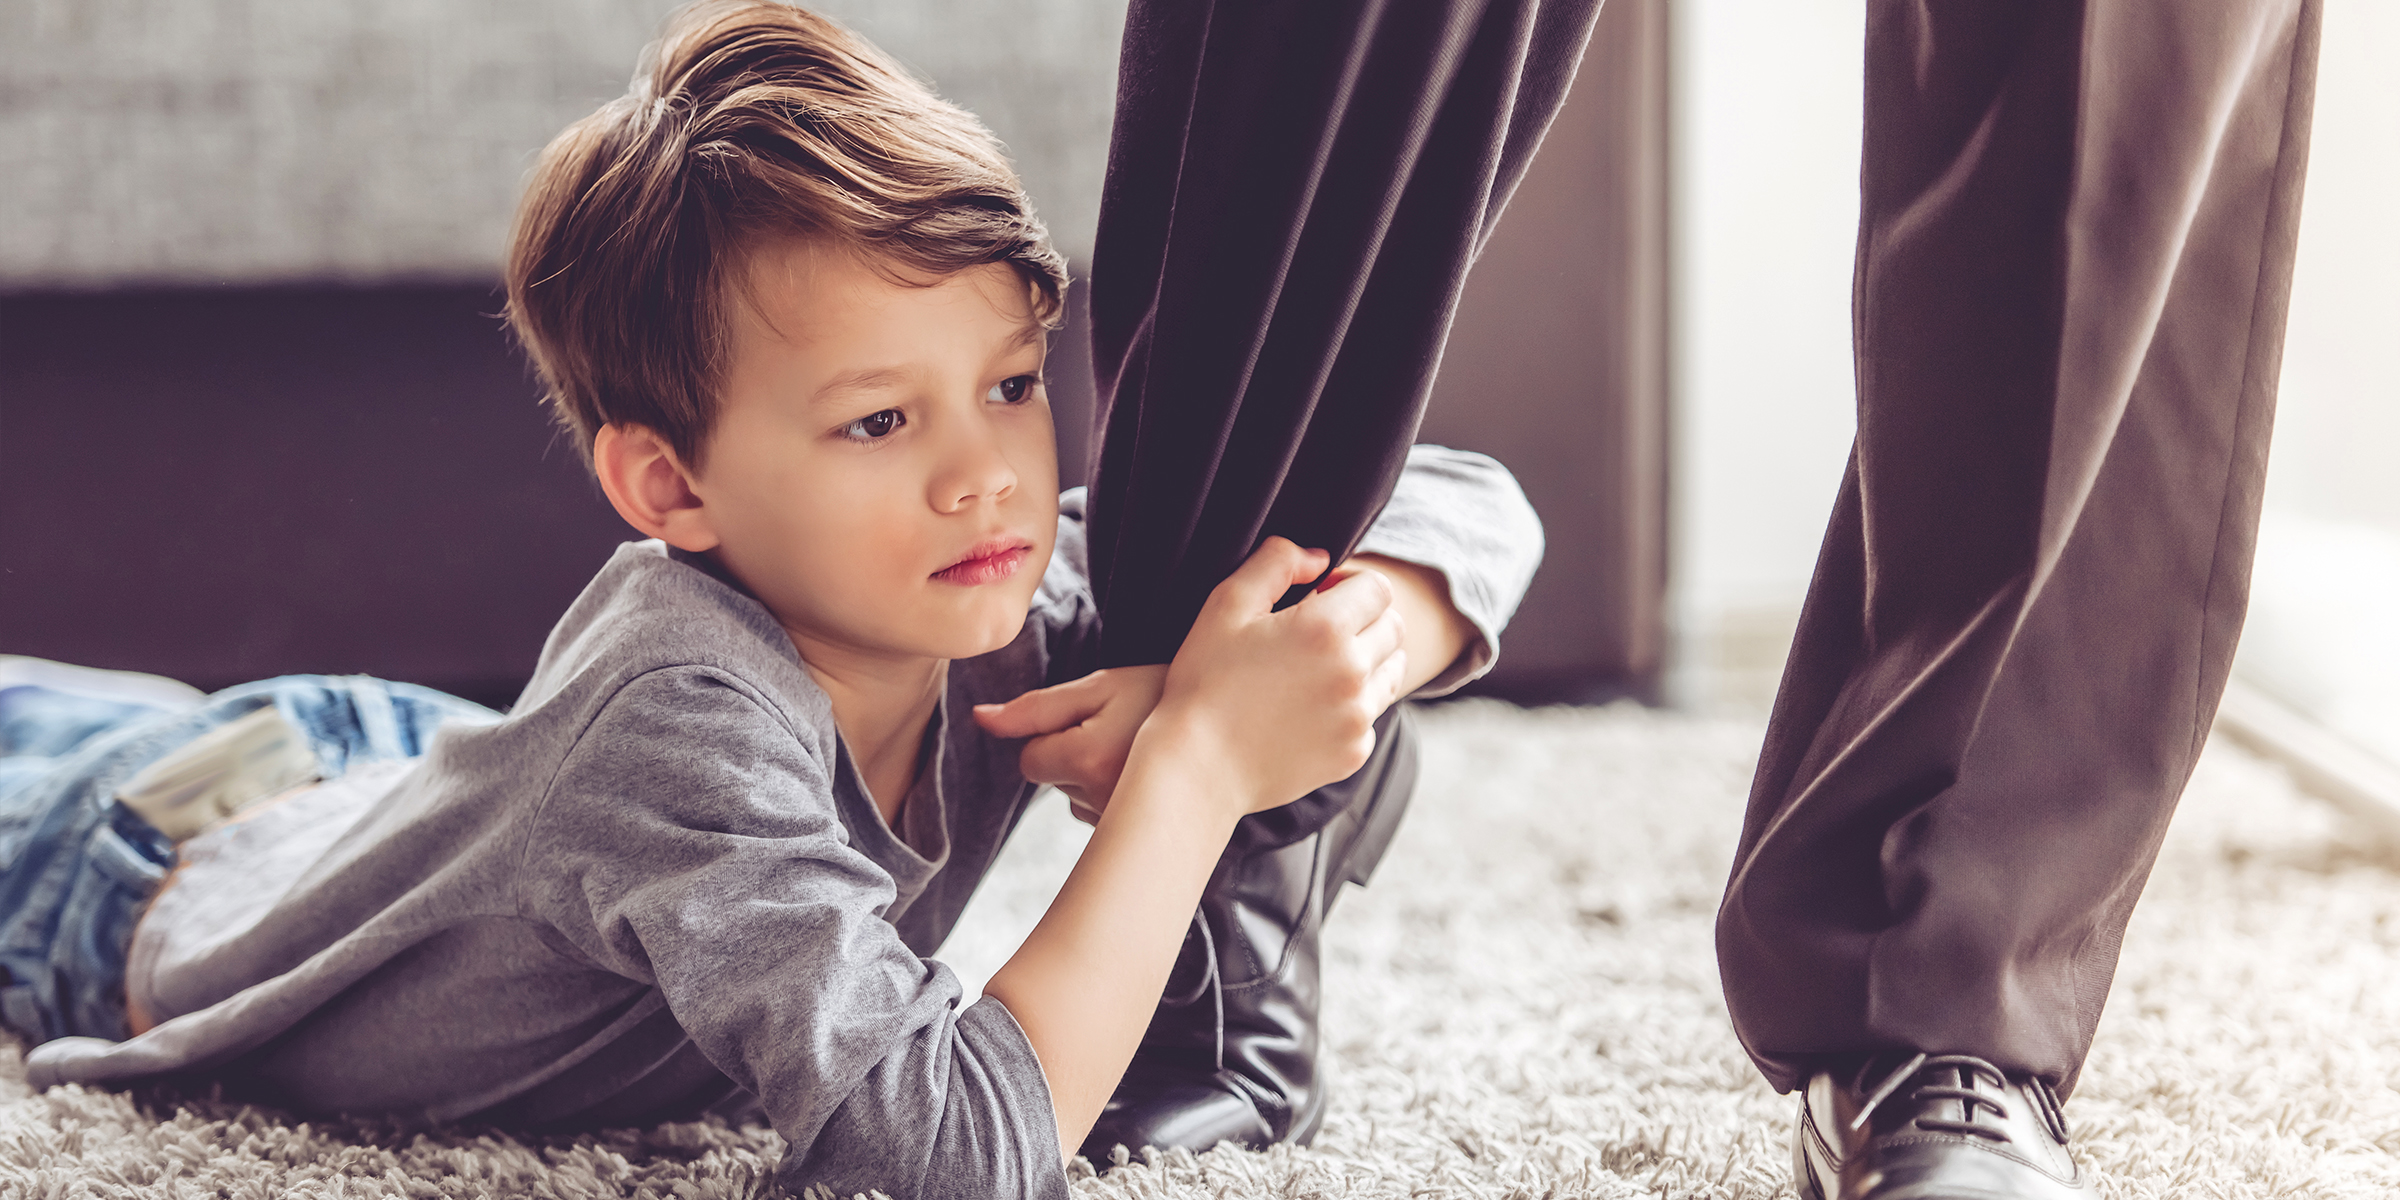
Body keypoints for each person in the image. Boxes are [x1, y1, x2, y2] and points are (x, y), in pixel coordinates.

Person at [0, 3, 1543, 1196]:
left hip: (387, 766)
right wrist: (1200, 761)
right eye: (881, 421)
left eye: (1010, 385)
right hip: (135, 856)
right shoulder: (682, 736)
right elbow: (955, 1159)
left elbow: (1471, 502)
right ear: (668, 488)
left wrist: (1336, 648)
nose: (984, 479)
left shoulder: (987, 598)